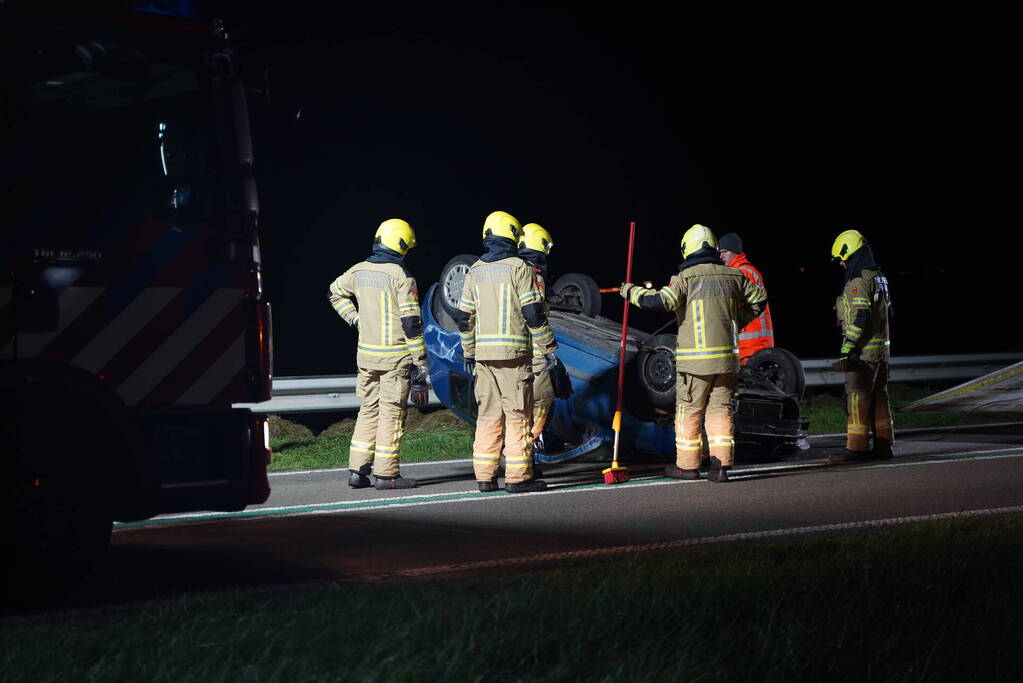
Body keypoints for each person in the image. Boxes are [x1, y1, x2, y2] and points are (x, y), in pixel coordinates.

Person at [620, 224, 767, 482]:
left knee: (689, 412)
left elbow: (659, 301)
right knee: (720, 411)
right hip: (727, 362)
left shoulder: (685, 278)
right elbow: (759, 299)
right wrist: (737, 320)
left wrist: (630, 291)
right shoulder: (734, 276)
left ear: (688, 249)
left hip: (695, 365)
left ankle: (687, 467)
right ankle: (720, 467)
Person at [455, 210, 562, 493]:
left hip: (483, 358)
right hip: (514, 357)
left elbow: (464, 318)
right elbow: (533, 313)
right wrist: (548, 348)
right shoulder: (520, 268)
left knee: (488, 416)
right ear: (513, 235)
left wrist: (469, 352)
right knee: (518, 416)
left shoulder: (474, 270)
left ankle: (485, 477)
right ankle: (518, 477)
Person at [328, 218, 429, 490]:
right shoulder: (402, 277)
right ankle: (387, 475)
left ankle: (357, 471)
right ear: (401, 245)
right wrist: (420, 361)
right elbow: (411, 323)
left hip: (366, 358)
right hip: (395, 359)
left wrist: (355, 319)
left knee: (368, 411)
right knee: (391, 414)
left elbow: (334, 293)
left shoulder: (358, 270)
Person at [828, 229, 894, 463]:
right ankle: (884, 445)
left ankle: (856, 449)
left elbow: (861, 316)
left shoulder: (859, 280)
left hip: (863, 352)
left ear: (851, 254)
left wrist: (848, 346)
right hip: (881, 350)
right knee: (880, 398)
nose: (841, 264)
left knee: (857, 398)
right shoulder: (879, 276)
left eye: (842, 259)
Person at [518, 223, 572, 459]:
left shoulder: (512, 270)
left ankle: (519, 449)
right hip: (533, 349)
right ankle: (527, 450)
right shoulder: (533, 274)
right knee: (542, 398)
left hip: (510, 349)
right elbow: (535, 314)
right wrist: (550, 352)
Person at [717, 232, 775, 364]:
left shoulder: (742, 273)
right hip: (753, 343)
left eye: (724, 252)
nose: (721, 256)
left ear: (735, 251)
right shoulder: (744, 270)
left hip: (752, 345)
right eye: (719, 252)